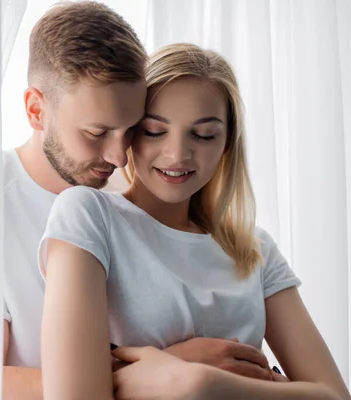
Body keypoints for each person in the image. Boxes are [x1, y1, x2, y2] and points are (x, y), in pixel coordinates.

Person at [39, 43, 351, 400]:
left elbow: (334, 396)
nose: (177, 154)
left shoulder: (255, 250)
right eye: (155, 131)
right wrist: (196, 380)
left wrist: (204, 384)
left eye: (203, 136)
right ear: (129, 134)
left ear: (226, 145)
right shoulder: (89, 215)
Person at [3, 2, 280, 399]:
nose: (119, 157)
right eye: (97, 132)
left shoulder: (148, 188)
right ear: (35, 110)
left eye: (133, 129)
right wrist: (175, 369)